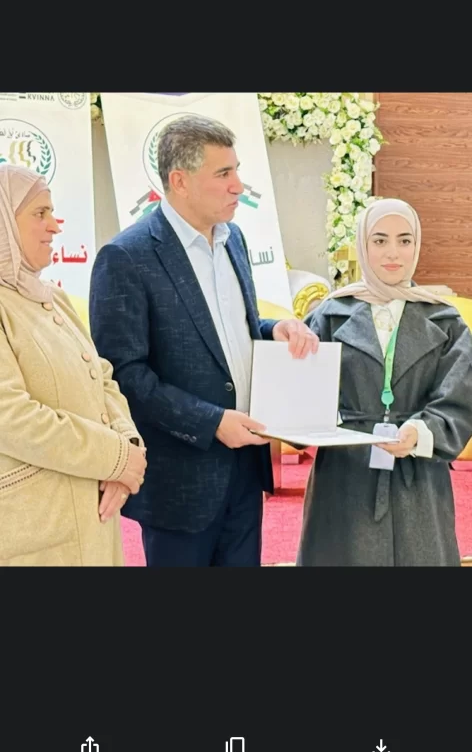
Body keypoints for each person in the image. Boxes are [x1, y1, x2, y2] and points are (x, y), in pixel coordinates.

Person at [89, 114, 318, 567]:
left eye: (237, 171)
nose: (238, 186)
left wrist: (274, 329)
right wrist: (210, 422)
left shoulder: (234, 241)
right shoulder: (126, 257)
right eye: (223, 173)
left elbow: (231, 330)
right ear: (180, 181)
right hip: (180, 485)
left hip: (246, 472)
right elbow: (124, 376)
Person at [297, 198, 472, 567]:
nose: (393, 252)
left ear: (417, 245)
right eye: (379, 240)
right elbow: (300, 395)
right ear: (362, 245)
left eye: (404, 240)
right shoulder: (329, 315)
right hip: (346, 475)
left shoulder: (445, 320)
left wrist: (421, 431)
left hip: (419, 477)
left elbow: (461, 396)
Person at [0, 164, 147, 567]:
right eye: (40, 213)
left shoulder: (53, 298)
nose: (54, 226)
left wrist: (128, 446)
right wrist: (114, 457)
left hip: (92, 524)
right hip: (34, 532)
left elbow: (102, 378)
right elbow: (10, 417)